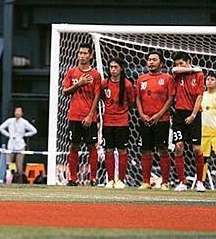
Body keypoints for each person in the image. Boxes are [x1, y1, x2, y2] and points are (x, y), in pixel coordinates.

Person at [62, 44, 102, 186]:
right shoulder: (71, 72)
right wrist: (79, 83)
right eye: (80, 53)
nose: (82, 55)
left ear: (90, 55)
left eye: (85, 53)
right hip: (74, 116)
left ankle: (93, 179)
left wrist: (91, 115)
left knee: (92, 146)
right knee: (74, 146)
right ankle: (72, 178)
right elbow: (65, 92)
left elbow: (97, 96)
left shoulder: (96, 75)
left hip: (89, 117)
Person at [135, 51, 174, 190]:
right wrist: (141, 114)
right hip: (145, 120)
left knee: (163, 149)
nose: (151, 62)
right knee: (145, 150)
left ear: (161, 63)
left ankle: (165, 182)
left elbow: (170, 99)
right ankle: (146, 181)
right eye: (149, 59)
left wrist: (158, 115)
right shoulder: (141, 79)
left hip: (161, 120)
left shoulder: (168, 78)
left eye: (154, 60)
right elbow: (138, 98)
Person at [171, 52, 205, 192]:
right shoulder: (177, 74)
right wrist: (192, 68)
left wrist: (193, 115)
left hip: (194, 114)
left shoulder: (199, 75)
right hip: (178, 114)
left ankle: (200, 182)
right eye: (177, 63)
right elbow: (174, 70)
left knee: (196, 149)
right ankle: (182, 181)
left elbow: (199, 97)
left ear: (188, 61)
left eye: (181, 63)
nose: (178, 66)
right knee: (179, 147)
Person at [102, 57, 135, 189]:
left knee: (122, 150)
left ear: (121, 68)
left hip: (122, 122)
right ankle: (110, 180)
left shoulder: (127, 84)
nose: (113, 70)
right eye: (111, 67)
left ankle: (121, 180)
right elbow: (101, 98)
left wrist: (122, 111)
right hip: (108, 122)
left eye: (116, 67)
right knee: (108, 150)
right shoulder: (105, 83)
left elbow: (132, 103)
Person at [0, 106, 37, 175]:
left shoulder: (24, 122)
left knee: (19, 163)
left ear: (22, 113)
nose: (17, 113)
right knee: (8, 162)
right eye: (16, 111)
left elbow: (34, 130)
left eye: (19, 111)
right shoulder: (10, 121)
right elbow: (1, 127)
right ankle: (8, 176)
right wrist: (8, 134)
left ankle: (19, 178)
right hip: (11, 143)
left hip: (20, 144)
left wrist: (25, 135)